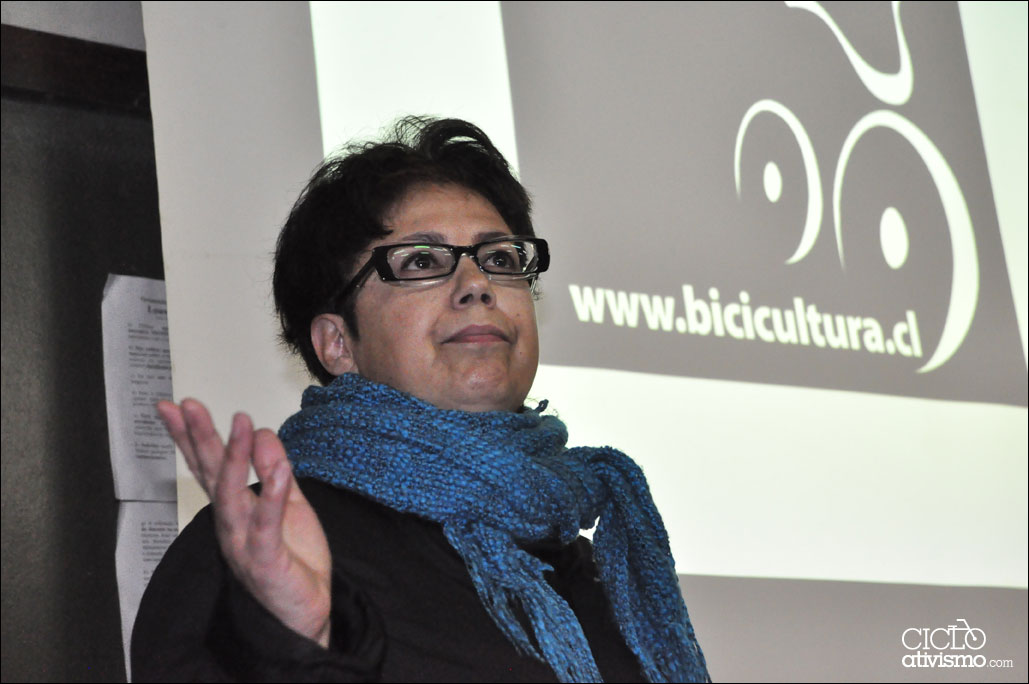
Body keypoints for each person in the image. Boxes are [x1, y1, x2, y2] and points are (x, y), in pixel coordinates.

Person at [131, 117, 710, 683]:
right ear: (338, 343)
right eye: (421, 262)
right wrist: (295, 647)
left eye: (500, 259)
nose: (477, 284)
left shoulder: (597, 569)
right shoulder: (259, 550)